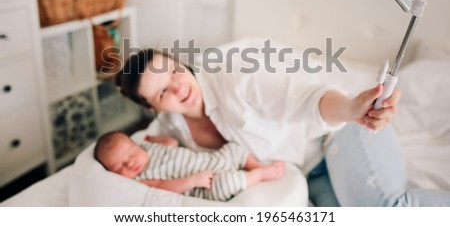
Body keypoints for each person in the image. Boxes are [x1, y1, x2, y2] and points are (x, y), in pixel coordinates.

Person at [116, 48, 450, 206]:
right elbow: (131, 162)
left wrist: (350, 108)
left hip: (339, 132)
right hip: (306, 173)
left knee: (388, 210)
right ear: (152, 107)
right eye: (162, 92)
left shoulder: (236, 79)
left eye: (174, 72)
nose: (178, 88)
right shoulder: (169, 130)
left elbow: (305, 98)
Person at [94, 131, 285, 201]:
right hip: (204, 185)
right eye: (120, 167)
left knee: (233, 149)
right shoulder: (139, 180)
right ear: (111, 173)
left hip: (210, 161)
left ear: (137, 146)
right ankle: (257, 175)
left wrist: (155, 139)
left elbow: (172, 143)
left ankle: (254, 164)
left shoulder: (148, 147)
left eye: (131, 154)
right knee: (227, 183)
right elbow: (163, 186)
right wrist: (193, 180)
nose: (130, 164)